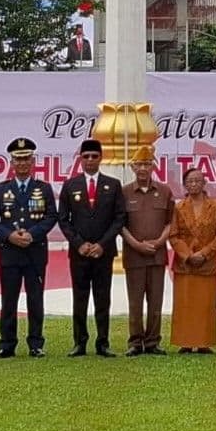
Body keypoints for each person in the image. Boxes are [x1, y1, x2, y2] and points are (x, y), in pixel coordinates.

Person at [0, 138, 58, 358]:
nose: (22, 164)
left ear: (33, 161)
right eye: (18, 159)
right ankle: (7, 344)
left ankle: (36, 343)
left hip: (35, 253)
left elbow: (51, 216)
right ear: (11, 163)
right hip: (10, 253)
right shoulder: (1, 189)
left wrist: (32, 234)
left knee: (35, 300)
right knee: (9, 300)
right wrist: (9, 236)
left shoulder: (43, 188)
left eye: (26, 159)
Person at [57, 139, 125, 357]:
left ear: (100, 158)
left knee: (103, 298)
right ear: (80, 159)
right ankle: (80, 342)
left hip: (103, 252)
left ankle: (103, 342)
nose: (90, 160)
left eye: (94, 156)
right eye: (86, 156)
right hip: (80, 253)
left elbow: (119, 218)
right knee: (80, 298)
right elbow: (63, 220)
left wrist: (102, 244)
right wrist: (79, 243)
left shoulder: (113, 185)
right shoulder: (71, 185)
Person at [119, 156, 174, 356]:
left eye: (147, 164)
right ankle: (135, 341)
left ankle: (152, 341)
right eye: (139, 164)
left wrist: (159, 242)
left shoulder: (165, 191)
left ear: (153, 166)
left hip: (157, 255)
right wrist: (135, 244)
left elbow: (170, 222)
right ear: (132, 166)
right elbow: (120, 224)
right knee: (135, 301)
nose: (143, 168)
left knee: (156, 300)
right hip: (134, 256)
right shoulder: (124, 192)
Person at [170, 167, 216, 354]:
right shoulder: (178, 207)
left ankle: (204, 342)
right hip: (185, 264)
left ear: (204, 183)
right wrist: (187, 255)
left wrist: (204, 253)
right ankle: (185, 342)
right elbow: (174, 235)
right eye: (190, 181)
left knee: (205, 304)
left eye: (197, 180)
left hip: (207, 262)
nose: (194, 184)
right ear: (184, 185)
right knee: (185, 304)